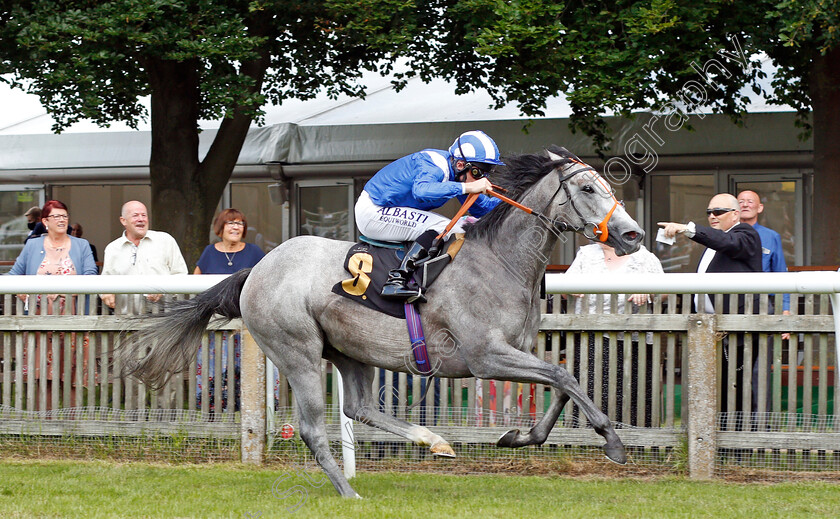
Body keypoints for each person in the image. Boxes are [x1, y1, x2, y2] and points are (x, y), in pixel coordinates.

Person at [354, 130, 503, 301]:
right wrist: (468, 188)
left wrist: (516, 199)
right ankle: (395, 281)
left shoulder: (457, 174)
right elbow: (421, 191)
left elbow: (482, 209)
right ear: (461, 164)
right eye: (478, 173)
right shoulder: (434, 164)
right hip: (374, 210)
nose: (482, 179)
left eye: (487, 173)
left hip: (387, 211)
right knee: (446, 227)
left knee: (456, 226)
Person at [658, 193, 762, 430]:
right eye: (709, 212)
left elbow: (727, 243)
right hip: (709, 327)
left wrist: (688, 229)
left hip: (736, 328)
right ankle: (720, 439)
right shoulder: (713, 243)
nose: (712, 217)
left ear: (735, 214)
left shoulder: (745, 234)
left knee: (737, 386)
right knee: (716, 385)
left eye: (719, 212)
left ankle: (740, 440)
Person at [8, 200, 98, 409]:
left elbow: (91, 274)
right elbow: (13, 275)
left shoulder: (81, 245)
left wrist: (65, 286)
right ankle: (44, 422)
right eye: (56, 216)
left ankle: (71, 423)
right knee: (42, 372)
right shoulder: (32, 245)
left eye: (64, 216)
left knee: (71, 371)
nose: (62, 220)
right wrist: (21, 289)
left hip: (73, 318)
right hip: (40, 320)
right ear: (45, 221)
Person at [565, 242, 665, 426]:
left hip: (634, 337)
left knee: (633, 389)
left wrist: (646, 290)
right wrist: (570, 288)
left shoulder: (643, 256)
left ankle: (634, 439)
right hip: (590, 335)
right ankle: (585, 438)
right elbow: (565, 288)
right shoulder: (585, 254)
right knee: (590, 387)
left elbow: (663, 291)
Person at [193, 209, 265, 412]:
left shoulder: (255, 252)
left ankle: (248, 408)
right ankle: (214, 408)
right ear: (220, 228)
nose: (236, 227)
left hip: (248, 322)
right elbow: (194, 283)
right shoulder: (209, 252)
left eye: (240, 223)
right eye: (230, 223)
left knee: (248, 367)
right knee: (214, 366)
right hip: (215, 322)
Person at [100, 200, 188, 313]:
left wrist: (163, 289)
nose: (141, 219)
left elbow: (181, 275)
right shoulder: (112, 249)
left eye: (144, 215)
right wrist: (106, 293)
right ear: (123, 221)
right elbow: (105, 282)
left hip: (164, 318)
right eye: (135, 215)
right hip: (125, 320)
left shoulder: (165, 241)